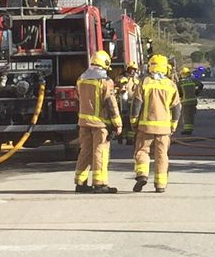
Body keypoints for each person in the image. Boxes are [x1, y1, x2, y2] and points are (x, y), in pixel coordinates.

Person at [131, 55, 182, 193]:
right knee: (162, 155)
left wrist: (134, 121)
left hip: (145, 126)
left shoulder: (145, 82)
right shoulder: (170, 85)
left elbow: (136, 103)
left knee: (142, 151)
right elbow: (177, 107)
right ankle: (160, 184)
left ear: (151, 66)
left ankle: (142, 174)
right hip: (164, 128)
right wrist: (174, 124)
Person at [74, 49, 122, 193]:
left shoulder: (81, 79)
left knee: (85, 152)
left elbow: (78, 98)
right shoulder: (105, 82)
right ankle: (100, 183)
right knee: (100, 152)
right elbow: (110, 104)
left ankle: (80, 182)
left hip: (83, 123)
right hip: (100, 124)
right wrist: (117, 124)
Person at [116, 64, 140, 146]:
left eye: (134, 69)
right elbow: (116, 87)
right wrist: (120, 88)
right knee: (123, 120)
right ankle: (120, 137)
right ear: (128, 69)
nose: (132, 71)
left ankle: (130, 139)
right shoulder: (121, 78)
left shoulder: (136, 79)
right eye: (131, 69)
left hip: (132, 102)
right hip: (122, 103)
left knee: (130, 121)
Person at [177, 65, 203, 136]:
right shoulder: (193, 80)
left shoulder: (180, 83)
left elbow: (178, 92)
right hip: (194, 101)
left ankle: (187, 130)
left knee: (186, 116)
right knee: (191, 115)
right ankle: (190, 129)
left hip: (186, 102)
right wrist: (197, 92)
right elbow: (201, 85)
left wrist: (180, 96)